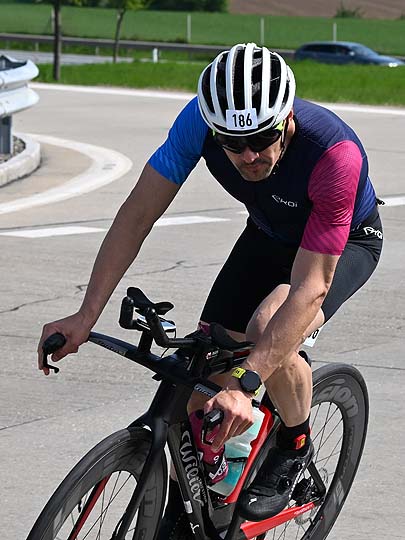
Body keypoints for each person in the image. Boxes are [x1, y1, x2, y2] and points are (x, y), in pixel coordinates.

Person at [38, 43, 383, 530]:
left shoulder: (334, 156)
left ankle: (295, 443)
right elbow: (136, 215)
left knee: (267, 329)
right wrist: (85, 315)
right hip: (269, 234)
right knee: (206, 370)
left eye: (261, 139)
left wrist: (248, 383)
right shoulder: (197, 123)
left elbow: (310, 289)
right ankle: (206, 503)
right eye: (232, 143)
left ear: (286, 119)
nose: (249, 155)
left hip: (345, 243)